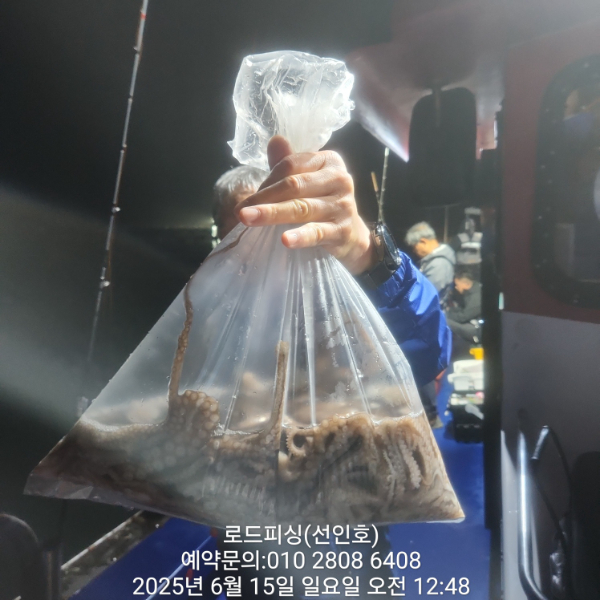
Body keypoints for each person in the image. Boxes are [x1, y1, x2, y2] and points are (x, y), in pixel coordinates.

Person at [210, 136, 451, 599]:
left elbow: (424, 351)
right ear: (222, 232)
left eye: (275, 219)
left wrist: (365, 251)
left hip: (346, 537)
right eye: (243, 224)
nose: (260, 239)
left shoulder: (337, 289)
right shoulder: (206, 306)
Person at [405, 221, 456, 300]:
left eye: (414, 247)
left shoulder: (439, 264)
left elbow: (424, 296)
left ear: (423, 242)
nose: (414, 251)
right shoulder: (433, 261)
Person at [445, 265, 482, 359]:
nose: (456, 287)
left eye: (457, 285)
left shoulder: (476, 297)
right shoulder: (471, 292)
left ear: (465, 284)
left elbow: (463, 317)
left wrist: (446, 314)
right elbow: (463, 310)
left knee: (445, 321)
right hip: (473, 323)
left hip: (477, 330)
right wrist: (451, 311)